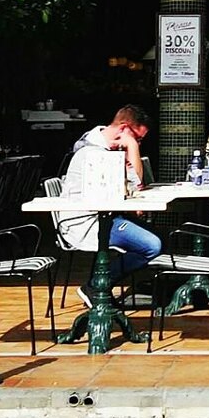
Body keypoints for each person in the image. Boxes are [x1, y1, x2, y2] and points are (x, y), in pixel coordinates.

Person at [56, 105, 162, 301]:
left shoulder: (107, 148)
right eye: (137, 137)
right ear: (123, 128)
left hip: (105, 216)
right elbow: (136, 184)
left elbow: (134, 184)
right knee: (151, 245)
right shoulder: (92, 151)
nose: (138, 142)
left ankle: (138, 282)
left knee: (159, 235)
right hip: (86, 222)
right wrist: (132, 145)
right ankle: (96, 285)